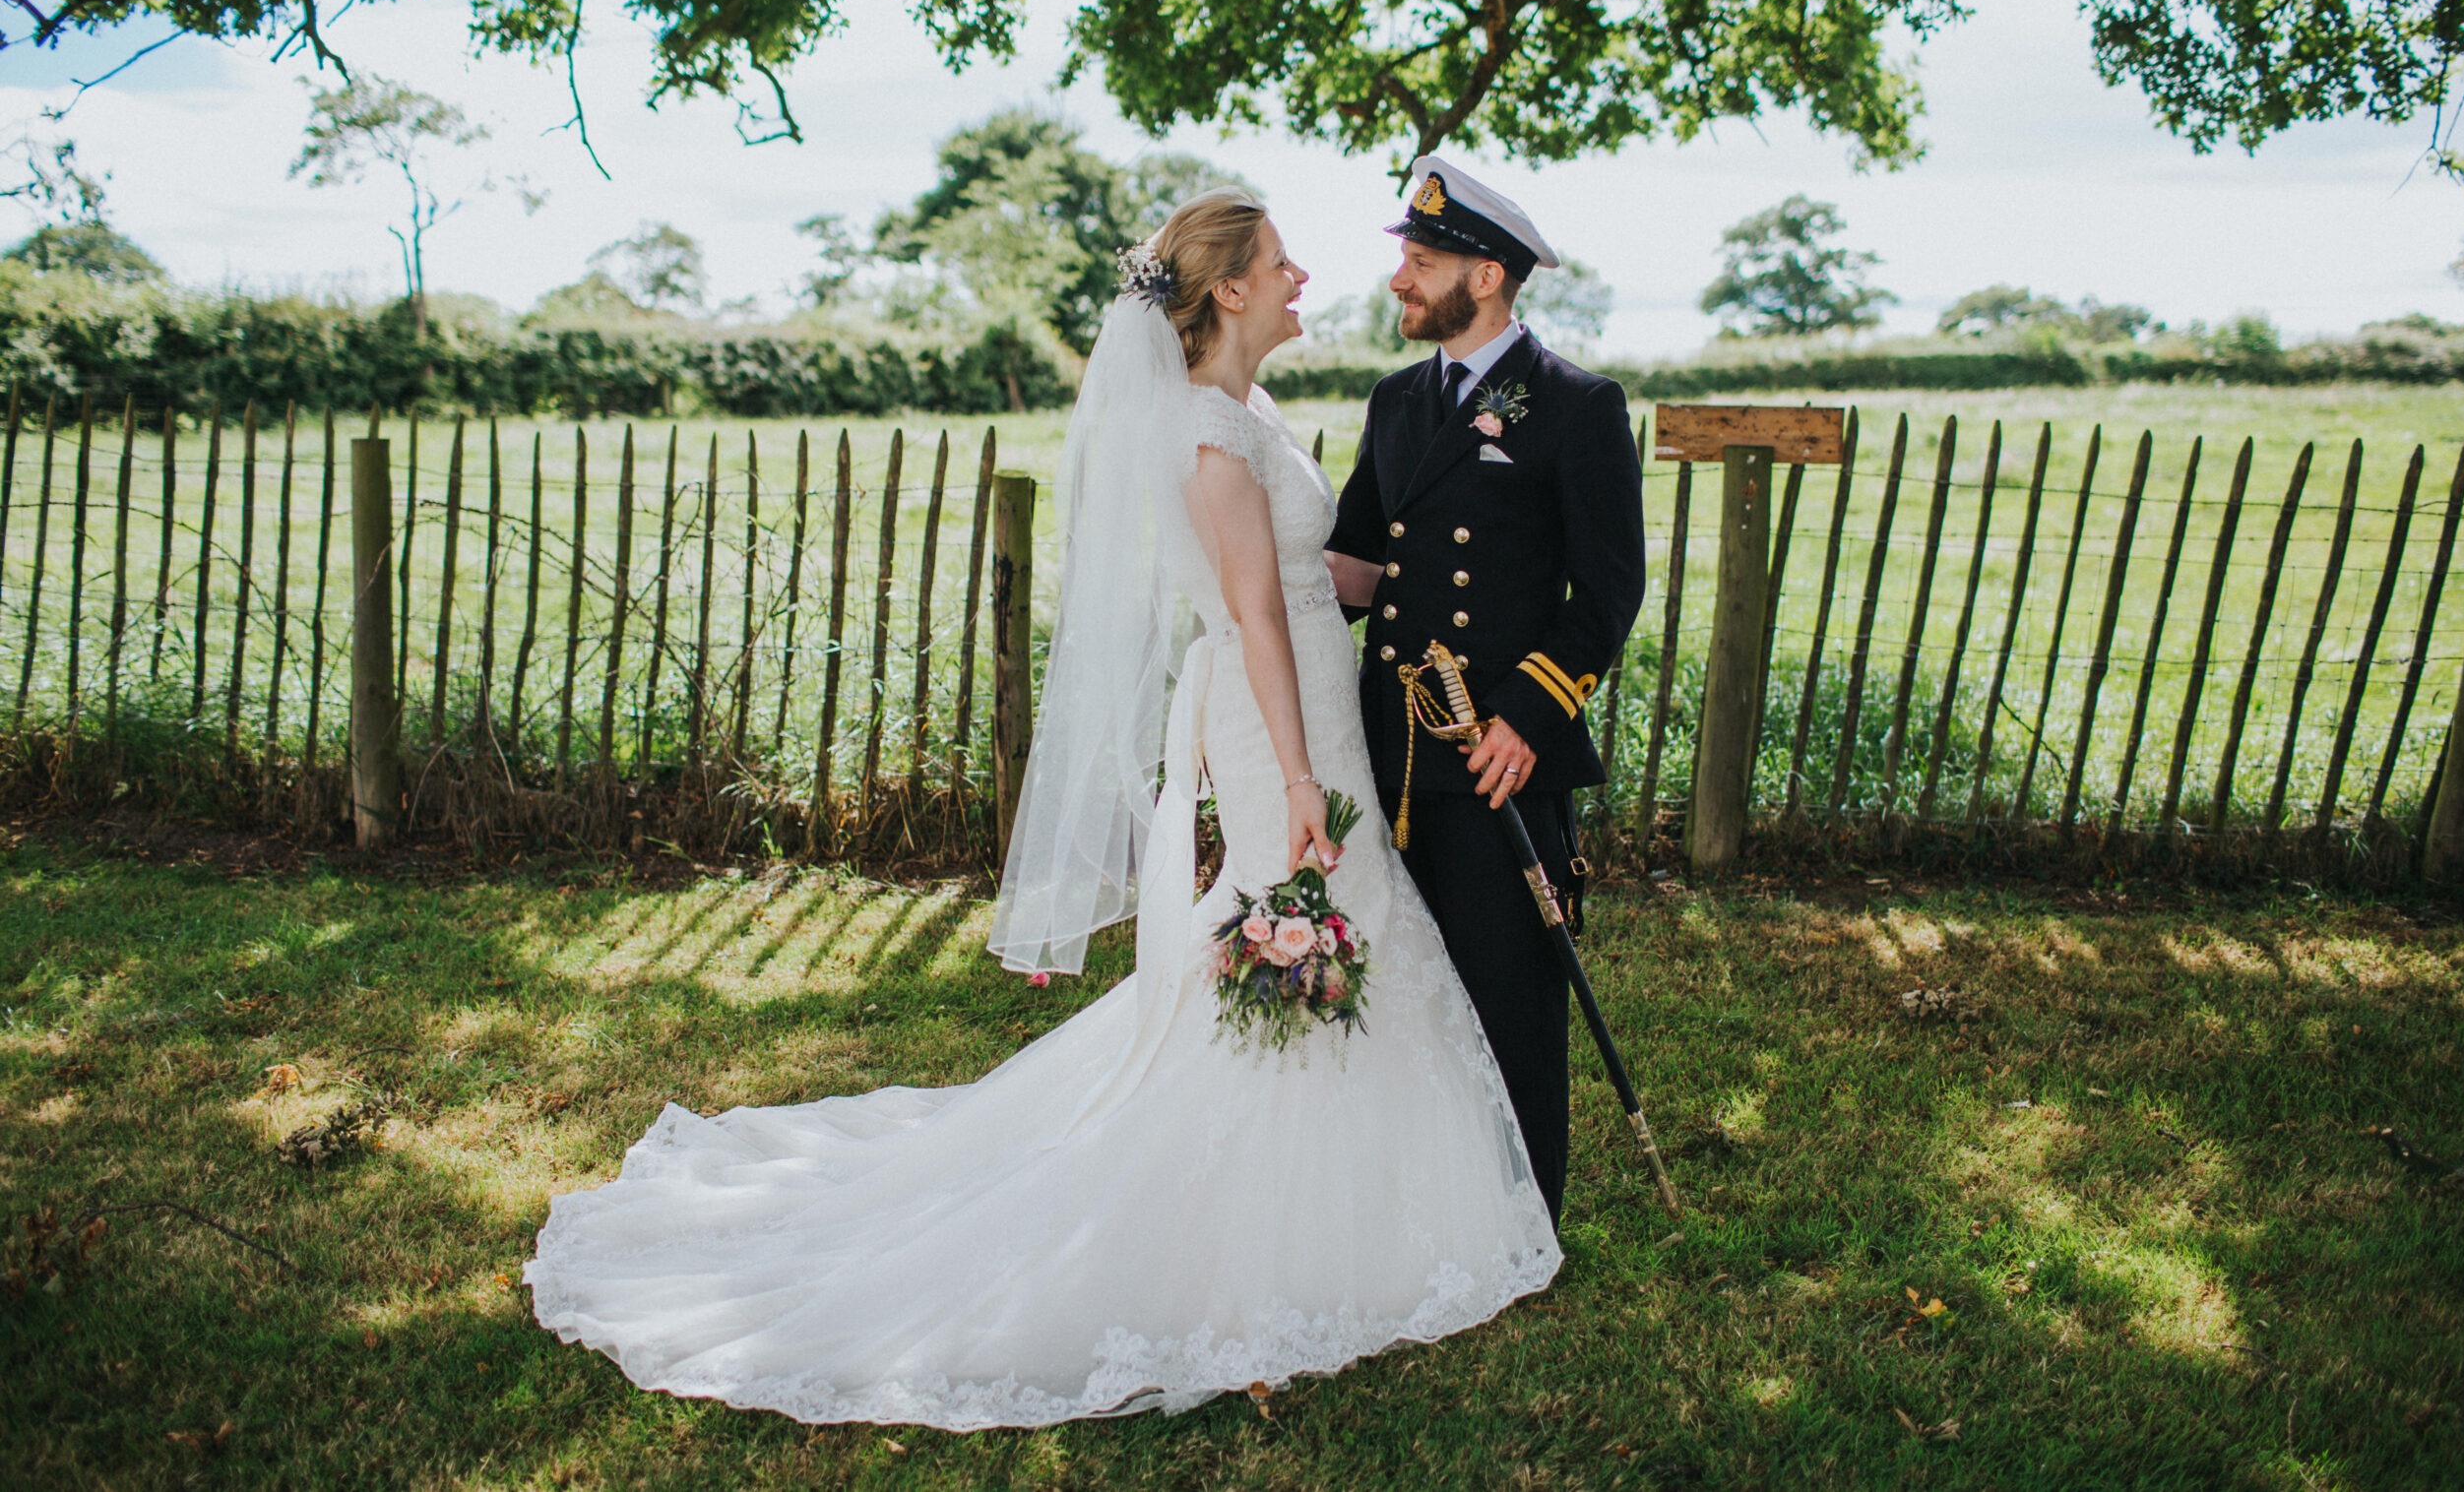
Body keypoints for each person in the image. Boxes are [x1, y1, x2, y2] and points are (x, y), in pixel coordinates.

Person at [521, 187, 1559, 1430]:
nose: (1302, 278)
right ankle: (1254, 1217)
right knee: (1304, 923)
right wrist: (1293, 780)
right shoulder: (1208, 441)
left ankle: (1364, 1193)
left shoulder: (1245, 409)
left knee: (1329, 932)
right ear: (1226, 288)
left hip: (1312, 703)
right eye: (1279, 264)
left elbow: (1315, 571)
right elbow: (1257, 617)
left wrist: (1469, 578)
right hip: (1280, 716)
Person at [1325, 155, 1648, 1224]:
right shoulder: (1399, 399)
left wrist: (1530, 712)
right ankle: (1410, 1197)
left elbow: (1607, 589)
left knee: (1509, 990)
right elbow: (1360, 566)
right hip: (1395, 750)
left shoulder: (1574, 406)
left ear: (1489, 275)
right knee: (1400, 983)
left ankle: (1518, 1213)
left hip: (1497, 752)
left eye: (1420, 262)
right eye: (1405, 260)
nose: (1399, 282)